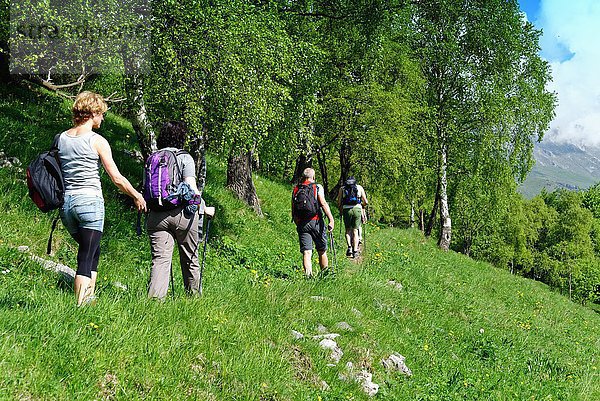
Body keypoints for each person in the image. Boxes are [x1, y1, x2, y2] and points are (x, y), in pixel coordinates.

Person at [58, 91, 147, 306]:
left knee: (93, 249)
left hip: (66, 204)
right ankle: (80, 304)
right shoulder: (97, 141)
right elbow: (116, 178)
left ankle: (90, 297)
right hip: (89, 203)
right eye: (101, 114)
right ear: (93, 113)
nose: (103, 118)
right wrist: (136, 195)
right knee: (86, 255)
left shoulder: (61, 138)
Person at [146, 121, 215, 299]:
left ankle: (154, 302)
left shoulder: (152, 157)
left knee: (160, 260)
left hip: (156, 216)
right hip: (183, 215)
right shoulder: (185, 157)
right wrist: (205, 209)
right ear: (181, 138)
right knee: (190, 258)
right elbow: (192, 188)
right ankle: (193, 299)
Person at [292, 168, 335, 277]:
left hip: (302, 224)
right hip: (316, 222)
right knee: (322, 250)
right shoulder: (317, 187)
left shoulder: (296, 189)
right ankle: (325, 275)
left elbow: (293, 209)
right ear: (313, 177)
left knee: (307, 252)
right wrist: (331, 219)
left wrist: (299, 224)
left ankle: (308, 276)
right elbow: (323, 203)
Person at [337, 176, 368, 259]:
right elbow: (366, 201)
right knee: (355, 230)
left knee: (348, 230)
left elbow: (339, 202)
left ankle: (349, 247)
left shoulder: (342, 189)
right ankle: (355, 251)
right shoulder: (359, 187)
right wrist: (362, 206)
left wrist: (340, 211)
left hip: (346, 210)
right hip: (357, 209)